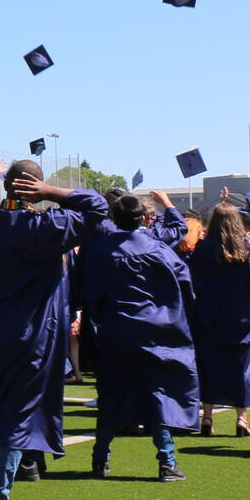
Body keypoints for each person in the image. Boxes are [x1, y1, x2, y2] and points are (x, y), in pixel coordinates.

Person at [0, 161, 107, 500]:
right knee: (17, 415)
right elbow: (98, 207)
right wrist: (53, 193)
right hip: (32, 334)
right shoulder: (47, 226)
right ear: (34, 187)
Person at [76, 193, 200, 482]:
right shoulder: (159, 250)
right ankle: (167, 462)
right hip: (156, 332)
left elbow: (85, 291)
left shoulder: (98, 251)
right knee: (157, 392)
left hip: (115, 330)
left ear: (113, 218)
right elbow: (185, 287)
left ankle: (100, 458)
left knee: (110, 393)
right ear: (144, 218)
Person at [187, 204, 250, 438]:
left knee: (208, 366)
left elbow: (192, 282)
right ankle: (241, 418)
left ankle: (207, 416)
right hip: (244, 317)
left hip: (209, 315)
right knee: (241, 369)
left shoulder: (203, 248)